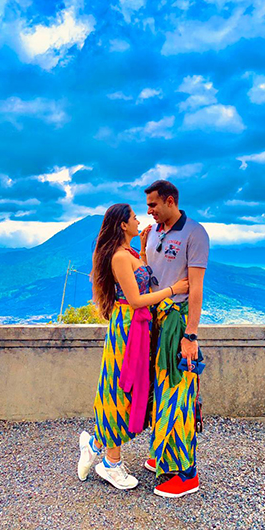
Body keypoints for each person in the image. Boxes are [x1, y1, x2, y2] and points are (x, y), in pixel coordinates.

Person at [77, 203, 189, 490]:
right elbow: (136, 299)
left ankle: (95, 444)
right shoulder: (118, 257)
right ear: (123, 225)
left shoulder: (128, 253)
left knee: (132, 387)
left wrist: (143, 249)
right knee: (120, 388)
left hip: (139, 327)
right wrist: (174, 290)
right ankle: (110, 464)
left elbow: (141, 279)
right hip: (127, 329)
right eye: (134, 218)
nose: (139, 221)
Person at [140, 180, 209, 498]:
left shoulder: (195, 233)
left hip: (176, 323)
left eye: (153, 205)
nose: (149, 211)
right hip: (154, 321)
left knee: (178, 395)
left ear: (170, 201)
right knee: (160, 393)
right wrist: (143, 248)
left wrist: (190, 335)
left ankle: (187, 474)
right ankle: (164, 456)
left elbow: (196, 288)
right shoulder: (153, 233)